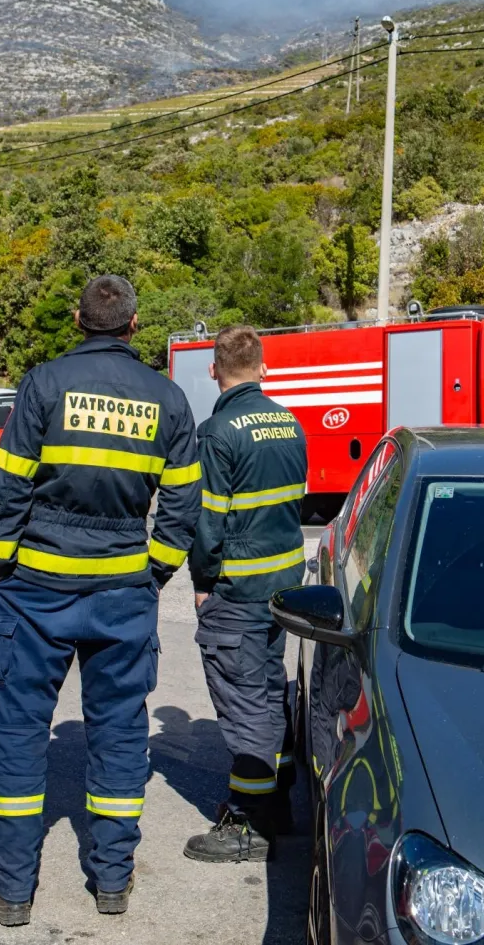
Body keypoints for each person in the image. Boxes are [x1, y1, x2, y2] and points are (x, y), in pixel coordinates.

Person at [0, 275, 201, 927]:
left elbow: (8, 483)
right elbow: (183, 501)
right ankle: (112, 883)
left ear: (78, 319)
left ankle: (12, 889)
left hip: (34, 592)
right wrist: (153, 570)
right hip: (122, 593)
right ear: (133, 325)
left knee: (17, 735)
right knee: (121, 735)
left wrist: (0, 559)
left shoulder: (43, 384)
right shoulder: (167, 397)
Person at [185, 325, 307, 864]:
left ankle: (249, 827)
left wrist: (202, 582)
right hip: (283, 589)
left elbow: (207, 523)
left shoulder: (217, 432)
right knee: (268, 691)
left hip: (237, 591)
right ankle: (278, 803)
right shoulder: (289, 423)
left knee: (244, 705)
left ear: (214, 370)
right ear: (263, 367)